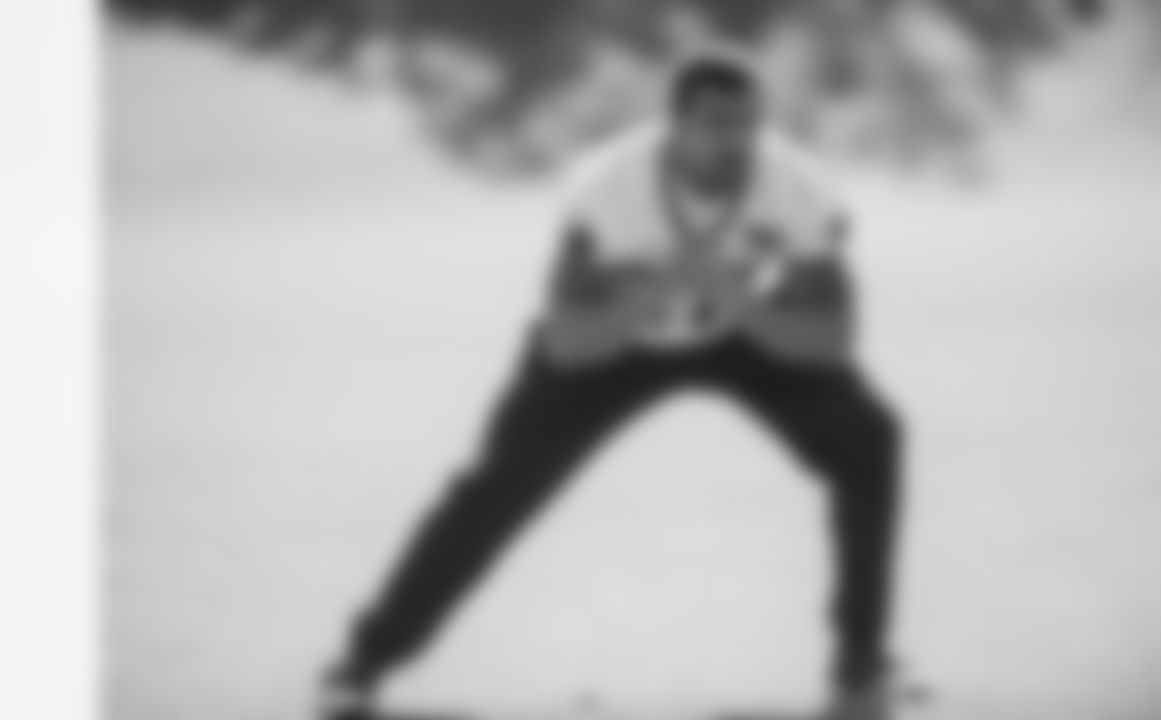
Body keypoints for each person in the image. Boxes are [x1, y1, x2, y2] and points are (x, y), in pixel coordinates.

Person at [321, 57, 906, 720]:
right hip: (618, 339)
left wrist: (735, 299)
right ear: (674, 125)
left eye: (747, 123)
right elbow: (568, 343)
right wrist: (655, 293)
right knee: (496, 488)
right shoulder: (605, 192)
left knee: (871, 439)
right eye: (715, 123)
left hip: (745, 333)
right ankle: (364, 659)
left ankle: (861, 663)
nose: (734, 139)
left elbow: (833, 341)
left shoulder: (800, 191)